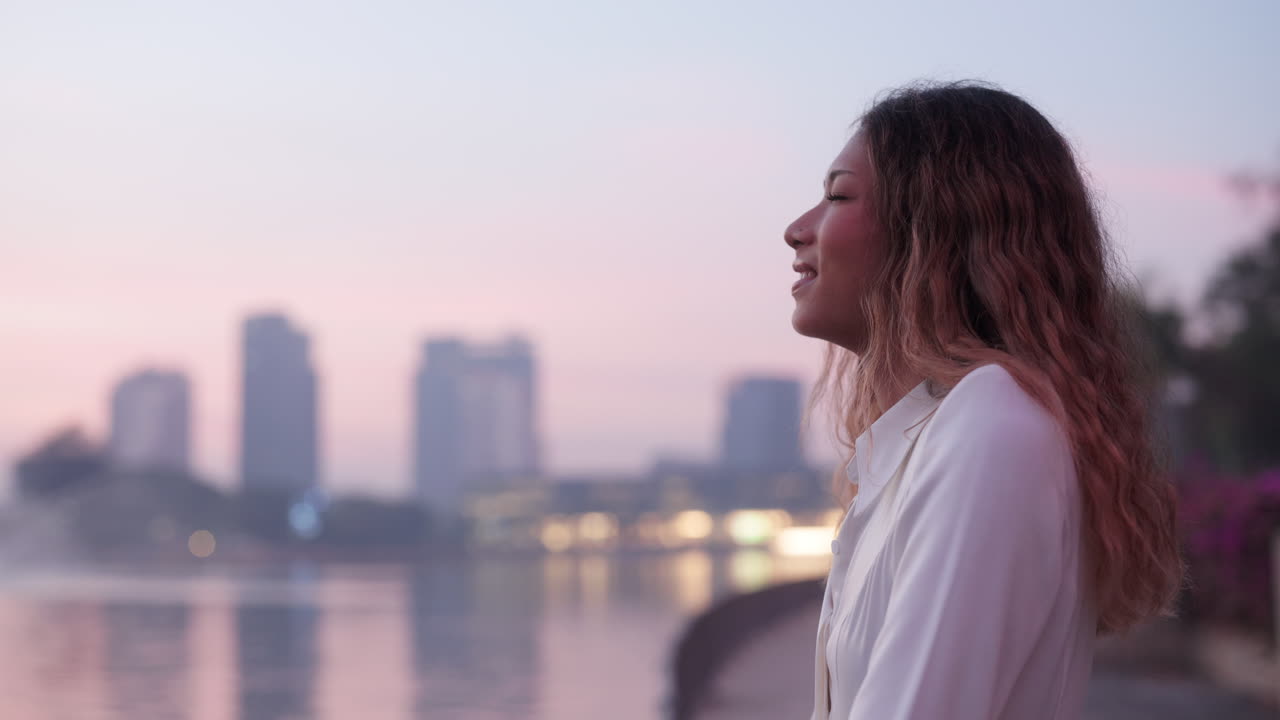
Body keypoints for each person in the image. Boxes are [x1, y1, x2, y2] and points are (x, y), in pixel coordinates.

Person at [785, 81, 1185, 720]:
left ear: (934, 230)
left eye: (837, 195)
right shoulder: (933, 436)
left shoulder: (992, 426)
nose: (797, 230)